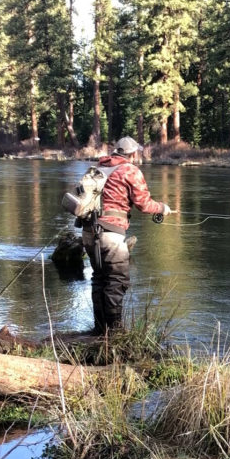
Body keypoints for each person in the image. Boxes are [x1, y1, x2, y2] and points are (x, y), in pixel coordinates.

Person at [82, 136, 175, 335]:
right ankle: (114, 333)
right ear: (132, 154)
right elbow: (144, 204)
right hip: (111, 235)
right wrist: (162, 208)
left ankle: (100, 331)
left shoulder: (98, 168)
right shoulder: (130, 170)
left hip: (89, 232)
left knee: (99, 279)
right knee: (116, 282)